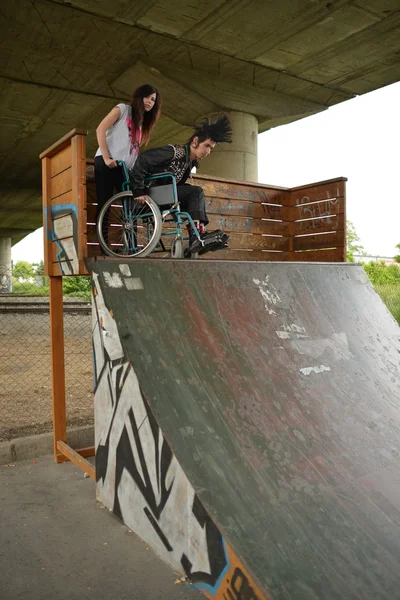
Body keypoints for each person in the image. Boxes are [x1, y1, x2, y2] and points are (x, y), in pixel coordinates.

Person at [129, 113, 233, 255]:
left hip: (164, 196)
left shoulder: (188, 163)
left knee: (192, 191)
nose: (208, 151)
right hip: (150, 193)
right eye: (207, 146)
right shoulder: (174, 152)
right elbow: (143, 160)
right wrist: (138, 190)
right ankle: (196, 235)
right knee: (195, 191)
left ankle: (198, 234)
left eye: (211, 148)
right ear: (195, 141)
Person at [94, 84, 162, 235]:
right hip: (107, 163)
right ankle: (102, 245)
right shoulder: (123, 109)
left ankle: (132, 246)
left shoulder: (141, 124)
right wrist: (106, 158)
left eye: (153, 100)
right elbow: (100, 129)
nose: (150, 102)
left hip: (124, 169)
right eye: (147, 97)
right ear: (139, 96)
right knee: (105, 203)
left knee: (130, 206)